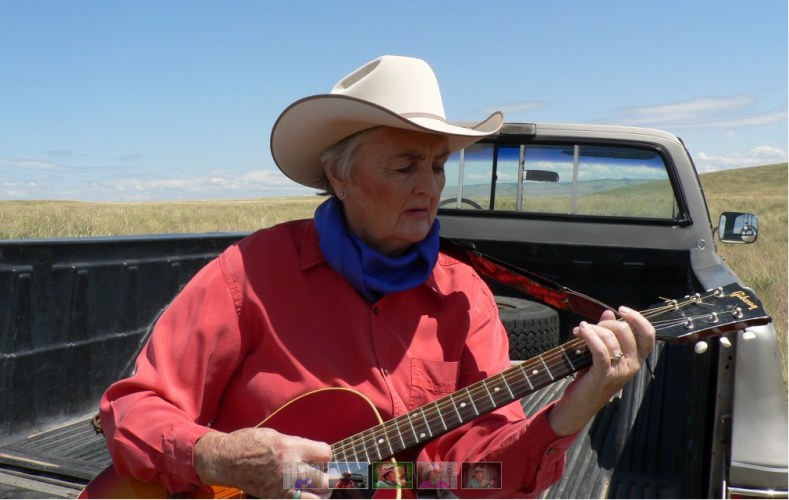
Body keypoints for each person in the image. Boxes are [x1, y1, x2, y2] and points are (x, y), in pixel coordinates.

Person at [99, 54, 656, 499]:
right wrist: (222, 459)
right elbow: (132, 410)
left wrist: (570, 412)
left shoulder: (464, 297)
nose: (431, 186)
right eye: (405, 166)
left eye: (437, 166)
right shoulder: (248, 275)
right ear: (339, 177)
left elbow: (473, 479)